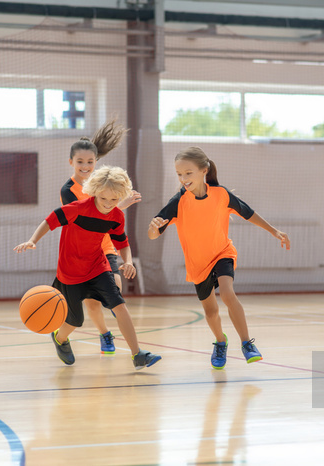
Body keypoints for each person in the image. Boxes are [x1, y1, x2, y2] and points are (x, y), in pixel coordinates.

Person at [148, 146, 290, 370]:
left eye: (188, 172)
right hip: (197, 264)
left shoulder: (221, 195)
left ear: (204, 170)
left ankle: (246, 343)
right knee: (211, 311)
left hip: (222, 252)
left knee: (227, 292)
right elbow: (153, 234)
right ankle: (221, 342)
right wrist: (153, 228)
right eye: (179, 174)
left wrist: (274, 231)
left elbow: (248, 212)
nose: (183, 178)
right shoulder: (179, 202)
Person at [15, 165, 161, 370]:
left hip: (97, 268)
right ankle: (59, 338)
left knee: (119, 306)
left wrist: (127, 261)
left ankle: (138, 354)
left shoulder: (117, 216)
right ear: (94, 192)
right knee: (75, 322)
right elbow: (50, 221)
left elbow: (122, 242)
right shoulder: (76, 209)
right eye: (104, 199)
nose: (109, 204)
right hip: (70, 274)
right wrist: (32, 240)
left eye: (114, 200)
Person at [60, 119, 141, 355]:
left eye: (90, 162)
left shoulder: (104, 184)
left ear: (96, 162)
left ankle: (125, 332)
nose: (85, 166)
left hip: (103, 246)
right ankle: (105, 333)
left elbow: (108, 217)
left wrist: (118, 201)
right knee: (92, 304)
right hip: (80, 251)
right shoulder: (68, 190)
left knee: (115, 287)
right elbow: (87, 219)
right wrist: (121, 206)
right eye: (80, 162)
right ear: (72, 163)